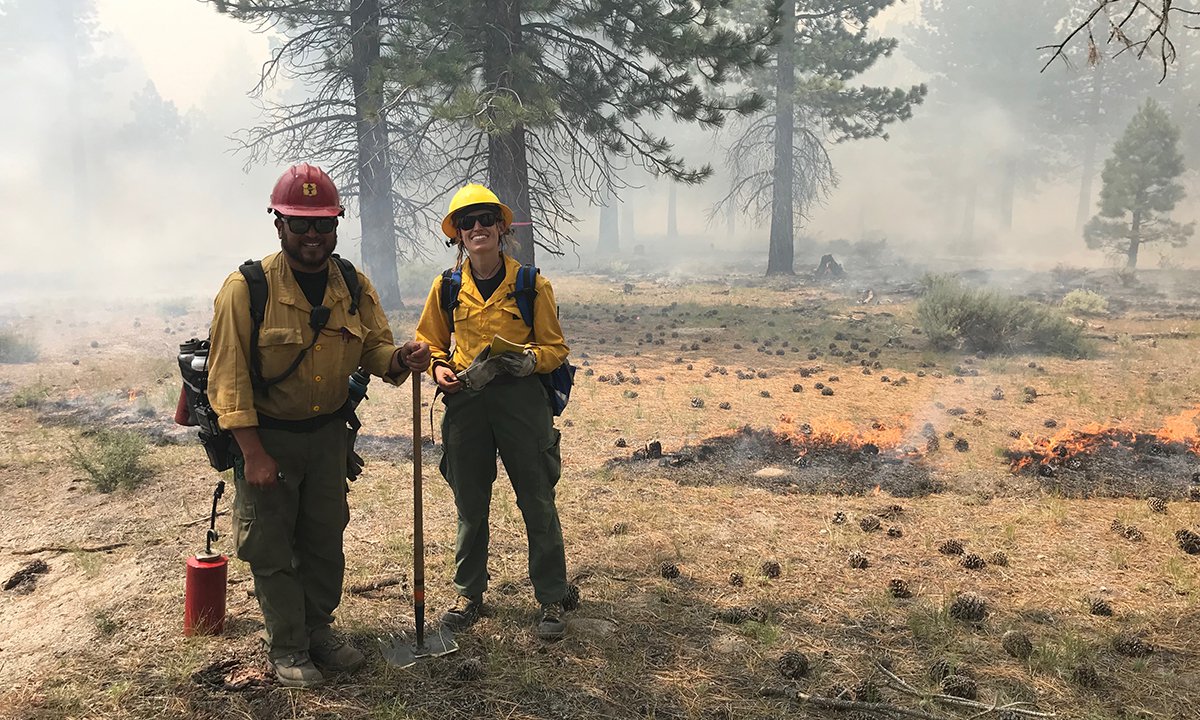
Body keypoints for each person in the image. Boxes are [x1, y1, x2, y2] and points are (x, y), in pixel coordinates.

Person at [207, 163, 430, 687]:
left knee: (325, 540)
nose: (313, 236)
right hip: (270, 441)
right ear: (278, 224)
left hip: (330, 439)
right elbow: (229, 379)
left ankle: (319, 630)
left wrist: (402, 358)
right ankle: (287, 645)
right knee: (272, 546)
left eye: (323, 224)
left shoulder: (351, 284)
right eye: (300, 224)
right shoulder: (246, 289)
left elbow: (374, 349)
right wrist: (253, 453)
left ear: (336, 224)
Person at [414, 183, 571, 640]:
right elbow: (430, 343)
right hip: (467, 402)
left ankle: (552, 598)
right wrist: (439, 369)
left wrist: (530, 361)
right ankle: (469, 595)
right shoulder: (445, 288)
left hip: (522, 402)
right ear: (457, 235)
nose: (478, 228)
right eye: (467, 222)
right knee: (470, 504)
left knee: (537, 499)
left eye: (486, 219)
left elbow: (555, 347)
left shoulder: (531, 284)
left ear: (502, 228)